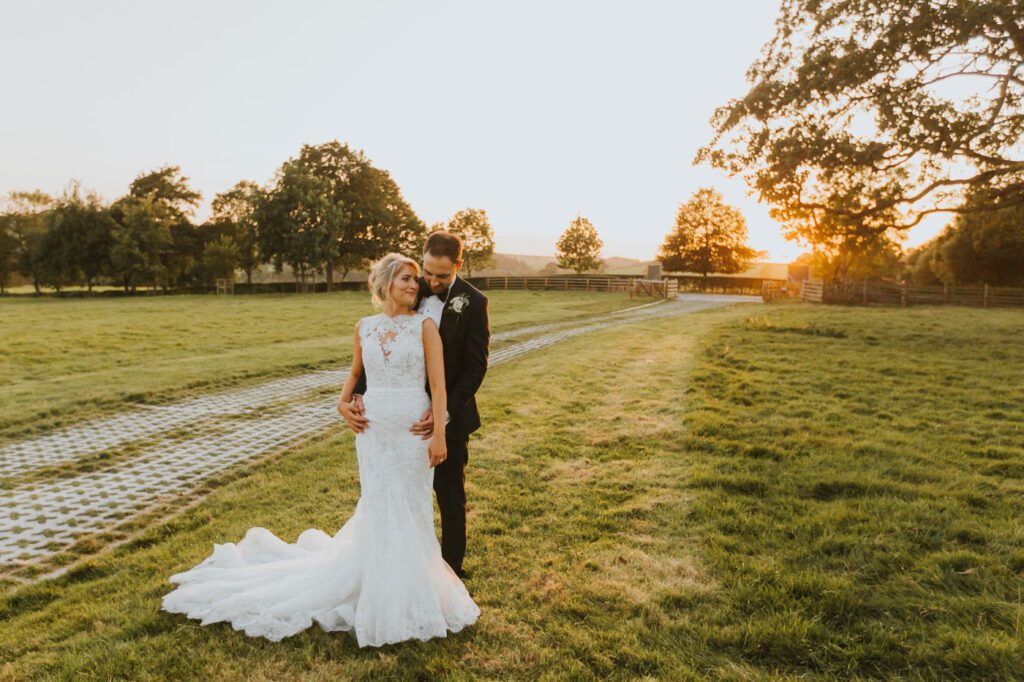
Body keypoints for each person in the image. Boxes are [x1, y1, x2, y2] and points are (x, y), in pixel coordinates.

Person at [161, 253, 480, 648]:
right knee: (379, 505)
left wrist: (437, 435)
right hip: (373, 433)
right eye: (406, 279)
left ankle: (413, 586)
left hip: (413, 431)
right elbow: (354, 374)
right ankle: (376, 583)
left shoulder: (425, 326)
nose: (414, 286)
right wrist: (342, 403)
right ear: (384, 284)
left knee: (411, 506)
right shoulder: (363, 327)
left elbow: (438, 384)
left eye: (416, 280)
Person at [340, 230, 490, 580]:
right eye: (428, 273)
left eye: (442, 275)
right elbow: (379, 356)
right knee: (395, 496)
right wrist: (353, 399)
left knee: (449, 496)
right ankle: (394, 569)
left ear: (458, 266)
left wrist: (444, 415)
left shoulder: (474, 302)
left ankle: (449, 573)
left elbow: (475, 367)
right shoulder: (408, 288)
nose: (432, 282)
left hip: (447, 414)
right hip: (394, 417)